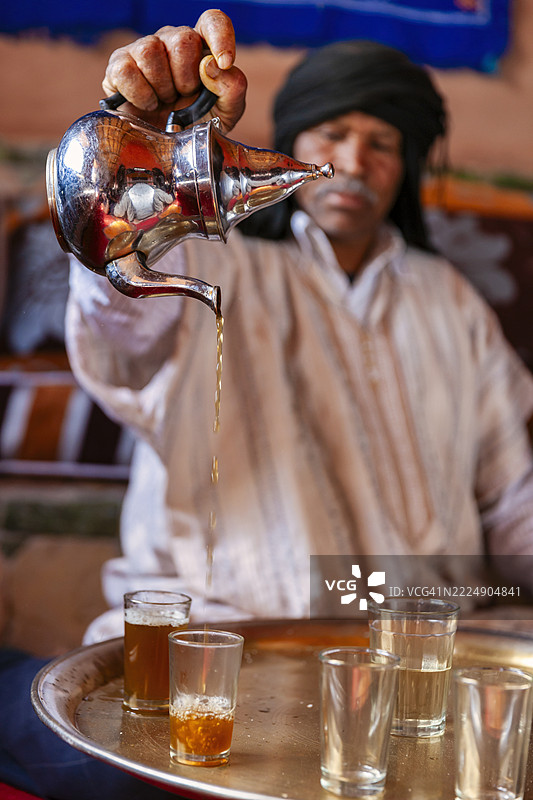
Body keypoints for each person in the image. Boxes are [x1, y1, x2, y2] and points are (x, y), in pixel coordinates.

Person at [62, 9, 533, 640]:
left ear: (407, 168)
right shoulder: (210, 262)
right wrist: (142, 151)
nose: (356, 162)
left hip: (421, 652)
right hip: (220, 643)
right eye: (333, 133)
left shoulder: (449, 299)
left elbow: (512, 496)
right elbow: (118, 329)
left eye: (384, 144)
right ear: (293, 145)